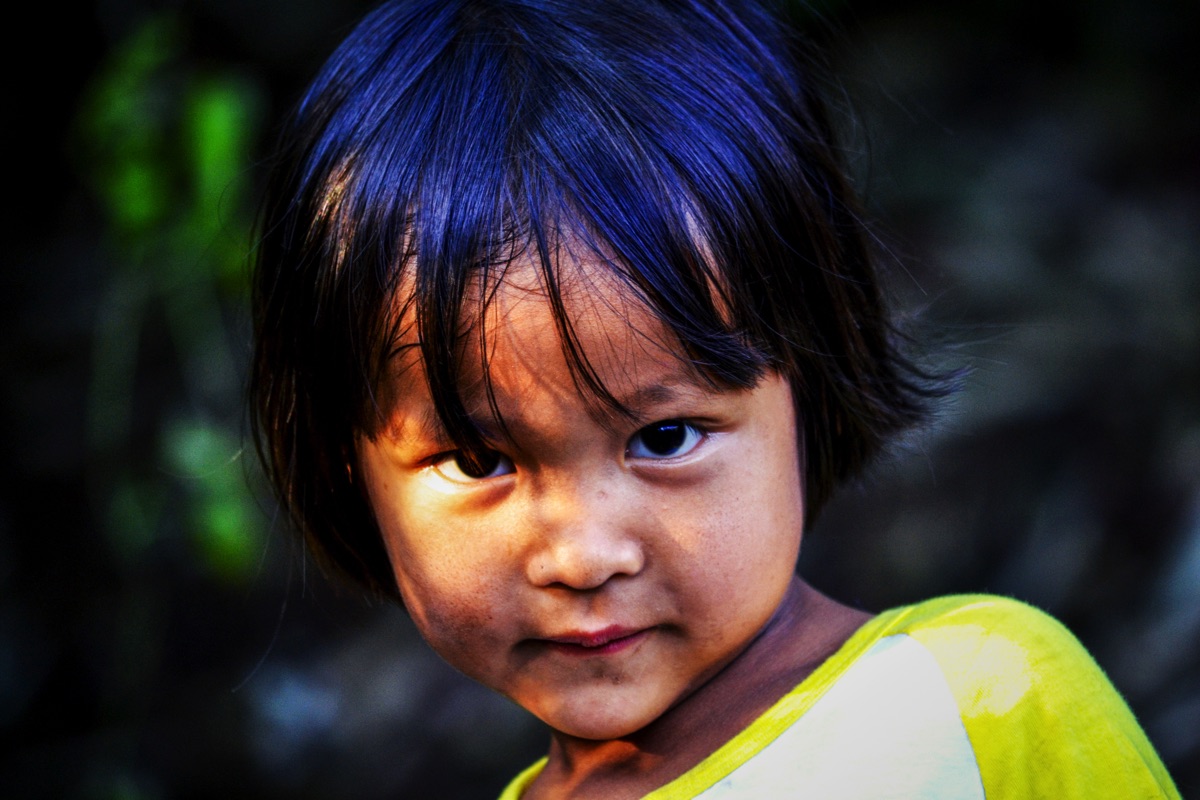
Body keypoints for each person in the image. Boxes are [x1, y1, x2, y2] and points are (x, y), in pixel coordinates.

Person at [248, 0, 1180, 797]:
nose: (584, 557)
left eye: (664, 437)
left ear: (807, 382)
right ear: (349, 468)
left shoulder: (975, 707)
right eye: (479, 459)